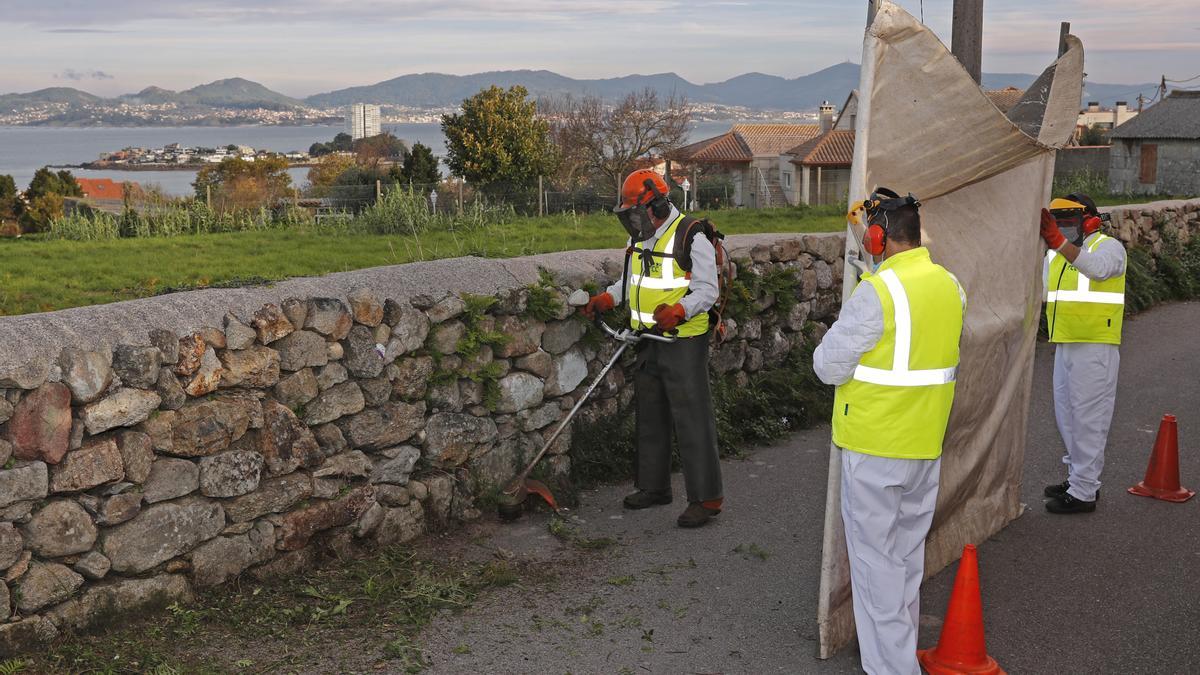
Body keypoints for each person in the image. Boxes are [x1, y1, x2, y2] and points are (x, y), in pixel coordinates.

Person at [813, 188, 965, 675]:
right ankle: (894, 652)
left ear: (879, 236)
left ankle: (892, 668)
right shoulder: (948, 284)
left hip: (876, 446)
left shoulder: (874, 293)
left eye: (866, 235)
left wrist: (863, 294)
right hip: (924, 444)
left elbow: (827, 367)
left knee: (876, 566)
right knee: (904, 562)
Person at [578, 169, 724, 528]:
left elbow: (708, 290)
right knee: (651, 415)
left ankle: (706, 499)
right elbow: (631, 282)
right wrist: (607, 298)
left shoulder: (691, 236)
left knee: (692, 418)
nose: (633, 220)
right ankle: (654, 487)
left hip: (683, 340)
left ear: (657, 204)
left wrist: (680, 310)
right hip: (646, 339)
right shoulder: (642, 239)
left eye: (636, 212)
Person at [1040, 193, 1126, 514]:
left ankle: (1084, 492)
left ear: (1089, 219)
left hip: (1095, 346)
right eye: (1057, 221)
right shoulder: (1057, 254)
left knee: (1089, 419)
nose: (1062, 227)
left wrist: (1058, 243)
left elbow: (1100, 270)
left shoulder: (1108, 247)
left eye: (1068, 220)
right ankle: (1078, 478)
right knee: (1068, 417)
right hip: (1066, 343)